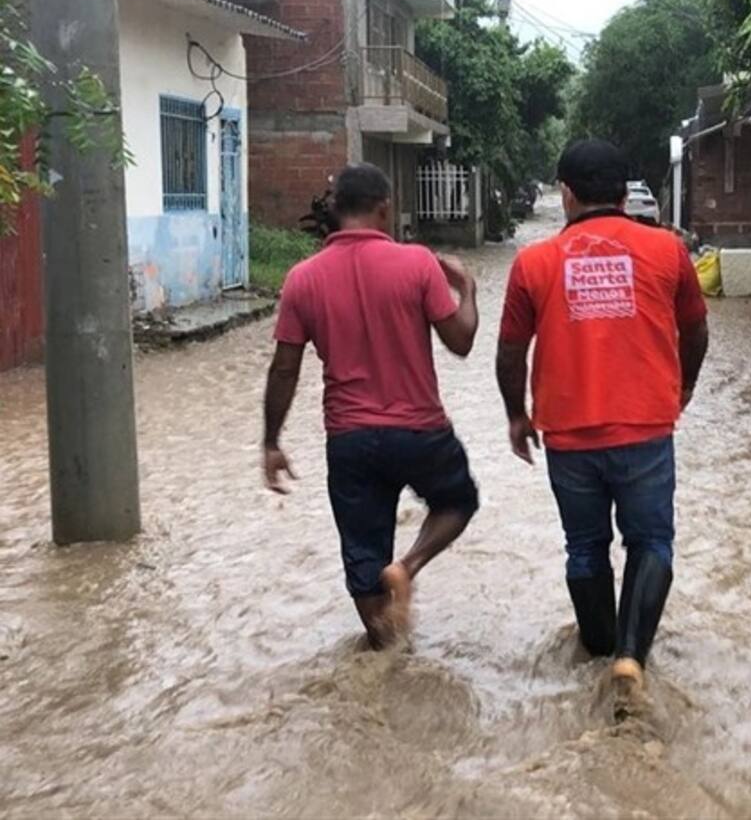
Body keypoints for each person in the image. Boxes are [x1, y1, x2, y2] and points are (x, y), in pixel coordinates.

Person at [495, 140, 710, 705]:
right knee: (652, 542)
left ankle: (598, 651)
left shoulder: (534, 263)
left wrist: (517, 416)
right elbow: (696, 331)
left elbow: (511, 351)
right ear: (624, 193)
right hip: (646, 429)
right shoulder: (668, 252)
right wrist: (681, 388)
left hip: (568, 437)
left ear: (565, 194)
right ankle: (632, 657)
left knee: (584, 548)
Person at [262, 163, 480, 649]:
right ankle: (407, 567)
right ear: (384, 209)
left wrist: (272, 442)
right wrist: (467, 290)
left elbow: (283, 369)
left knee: (362, 558)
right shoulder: (418, 263)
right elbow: (461, 342)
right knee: (458, 500)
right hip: (422, 432)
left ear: (336, 212)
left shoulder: (302, 279)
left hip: (350, 439)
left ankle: (388, 654)